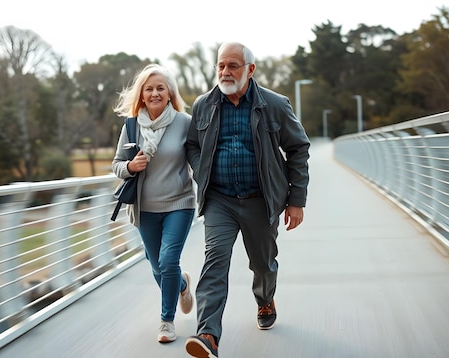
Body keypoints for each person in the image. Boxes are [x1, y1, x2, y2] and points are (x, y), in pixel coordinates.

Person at [184, 42, 311, 357]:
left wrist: (297, 199)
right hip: (220, 200)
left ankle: (265, 299)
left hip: (261, 200)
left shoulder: (275, 104)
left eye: (233, 66)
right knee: (214, 263)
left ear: (250, 70)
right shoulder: (203, 105)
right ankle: (208, 335)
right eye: (221, 66)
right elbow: (192, 145)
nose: (225, 72)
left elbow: (298, 148)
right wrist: (204, 174)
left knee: (262, 264)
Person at [111, 64, 196, 344]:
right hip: (144, 208)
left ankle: (167, 321)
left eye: (161, 87)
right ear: (142, 95)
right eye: (149, 88)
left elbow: (200, 158)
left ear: (170, 93)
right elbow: (116, 166)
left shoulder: (185, 122)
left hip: (179, 204)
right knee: (157, 266)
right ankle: (182, 285)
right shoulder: (132, 126)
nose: (155, 92)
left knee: (167, 260)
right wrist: (131, 166)